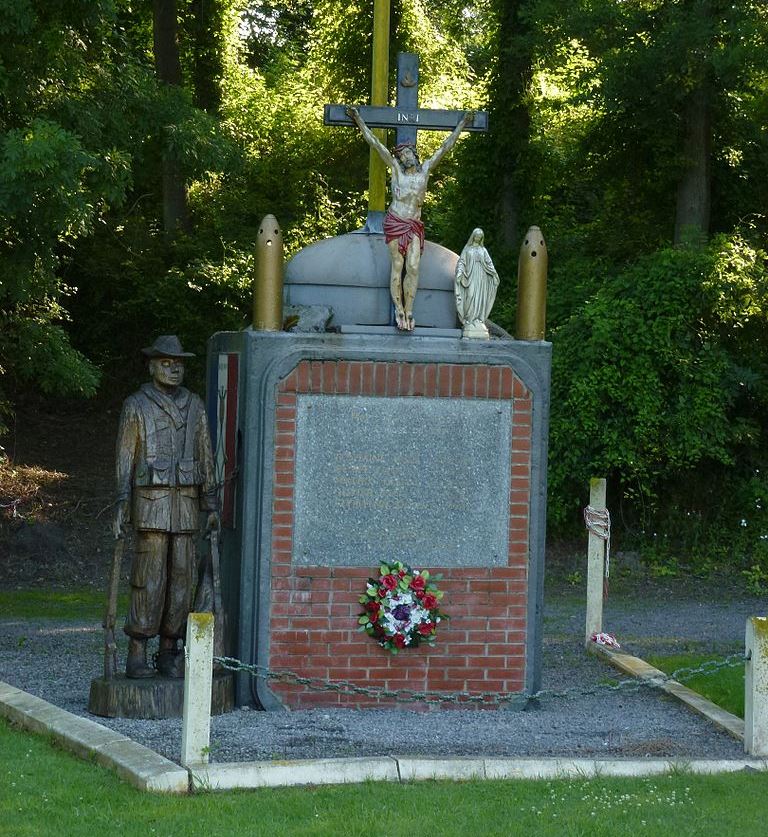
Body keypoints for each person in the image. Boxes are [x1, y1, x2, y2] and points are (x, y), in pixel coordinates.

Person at [113, 335, 219, 678]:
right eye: (166, 363)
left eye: (179, 364)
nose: (174, 369)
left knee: (181, 578)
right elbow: (125, 457)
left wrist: (211, 501)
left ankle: (170, 649)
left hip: (186, 505)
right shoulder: (136, 405)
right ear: (152, 366)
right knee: (150, 576)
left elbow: (205, 454)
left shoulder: (196, 406)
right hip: (151, 504)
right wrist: (121, 500)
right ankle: (138, 649)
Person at [347, 106, 474, 331]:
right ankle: (399, 310)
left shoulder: (425, 170)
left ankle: (410, 310)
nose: (403, 158)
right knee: (398, 264)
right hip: (396, 221)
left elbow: (445, 147)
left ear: (414, 154)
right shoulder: (396, 171)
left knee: (413, 267)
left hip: (414, 224)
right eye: (401, 155)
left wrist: (462, 124)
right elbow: (376, 145)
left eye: (406, 154)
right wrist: (358, 120)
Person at [455, 227, 499, 338]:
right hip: (470, 277)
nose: (478, 239)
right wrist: (460, 272)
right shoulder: (467, 249)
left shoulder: (483, 250)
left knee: (480, 298)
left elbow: (489, 263)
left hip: (481, 277)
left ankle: (479, 319)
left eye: (480, 237)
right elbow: (461, 262)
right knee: (470, 296)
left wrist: (494, 274)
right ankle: (469, 320)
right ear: (473, 236)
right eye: (476, 236)